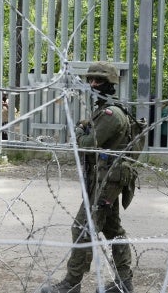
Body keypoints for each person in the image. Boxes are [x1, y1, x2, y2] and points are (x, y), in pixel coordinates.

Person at [41, 61, 137, 293]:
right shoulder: (106, 111)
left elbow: (86, 145)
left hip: (107, 181)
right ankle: (124, 283)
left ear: (110, 83)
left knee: (83, 228)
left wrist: (79, 132)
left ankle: (71, 283)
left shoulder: (111, 114)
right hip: (105, 178)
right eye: (91, 80)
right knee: (113, 231)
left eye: (99, 81)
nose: (93, 84)